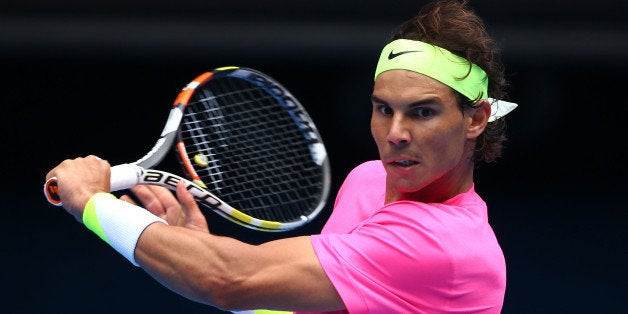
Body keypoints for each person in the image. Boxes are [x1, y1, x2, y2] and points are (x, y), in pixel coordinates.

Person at [45, 1, 517, 313]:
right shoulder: (369, 181)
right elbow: (273, 300)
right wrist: (191, 247)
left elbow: (227, 280)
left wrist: (90, 203)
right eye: (382, 109)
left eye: (423, 112)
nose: (395, 134)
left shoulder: (447, 249)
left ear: (474, 120)